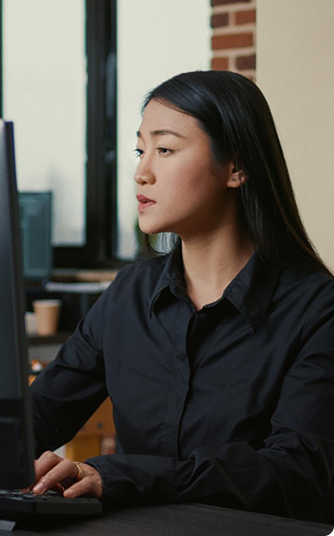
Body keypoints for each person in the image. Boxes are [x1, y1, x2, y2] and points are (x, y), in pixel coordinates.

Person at [29, 70, 334, 523]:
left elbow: (297, 471)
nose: (141, 172)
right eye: (140, 150)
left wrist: (121, 475)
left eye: (165, 149)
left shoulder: (318, 308)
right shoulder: (128, 294)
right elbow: (38, 417)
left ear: (236, 167)